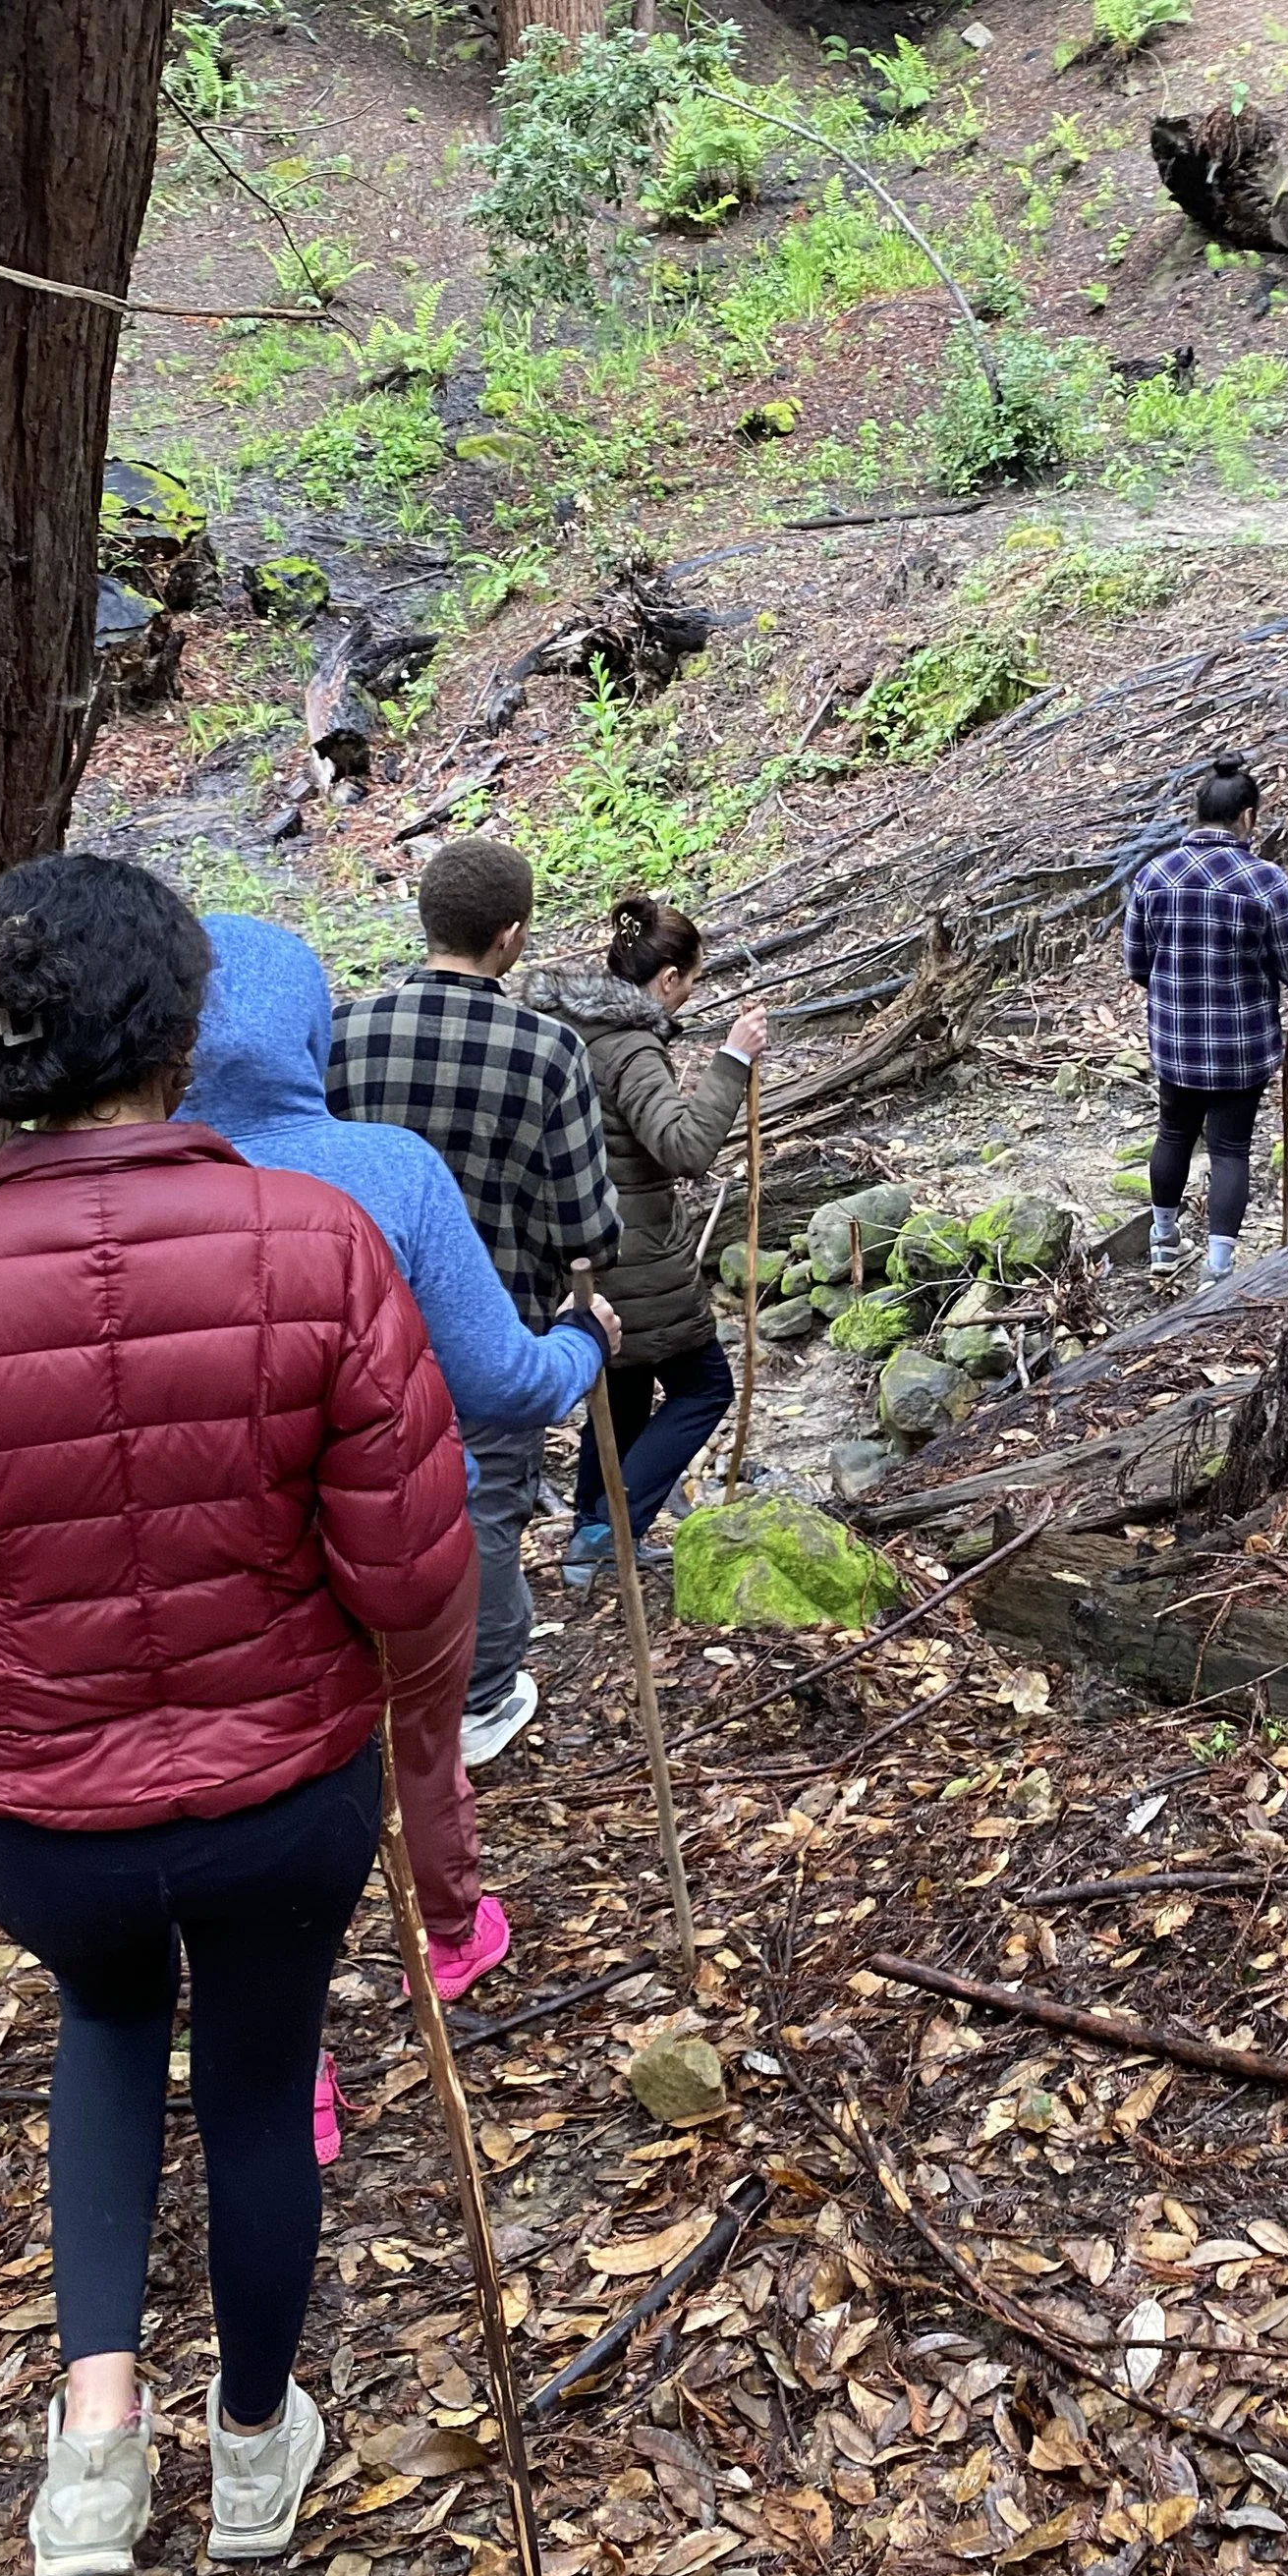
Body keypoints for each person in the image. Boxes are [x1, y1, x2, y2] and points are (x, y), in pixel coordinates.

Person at [0, 855, 475, 2576]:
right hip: (283, 1790)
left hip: (45, 1818)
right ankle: (252, 2448)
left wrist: (16, 1621)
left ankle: (95, 2449)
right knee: (254, 2079)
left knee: (103, 2028)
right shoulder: (314, 1243)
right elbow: (407, 1566)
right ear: (178, 1031)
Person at [181, 912, 620, 2154]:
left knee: (249, 1789)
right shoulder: (384, 1171)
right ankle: (451, 1926)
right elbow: (502, 1383)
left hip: (215, 1564)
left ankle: (288, 2056)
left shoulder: (126, 1200)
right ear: (310, 1035)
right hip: (393, 1542)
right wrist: (585, 1341)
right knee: (420, 1736)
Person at [327, 838, 620, 1766]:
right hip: (494, 1316)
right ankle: (483, 1695)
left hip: (349, 1321)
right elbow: (585, 1225)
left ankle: (372, 1680)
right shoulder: (547, 1049)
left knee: (362, 1502)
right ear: (512, 937)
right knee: (486, 1507)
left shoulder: (343, 1031)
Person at [526, 895, 766, 1582]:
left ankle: (589, 1539)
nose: (688, 994)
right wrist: (733, 1060)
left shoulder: (566, 1031)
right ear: (666, 980)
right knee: (703, 1387)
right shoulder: (631, 1046)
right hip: (637, 1263)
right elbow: (685, 1147)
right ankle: (612, 1532)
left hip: (582, 1257)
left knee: (624, 1393)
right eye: (689, 980)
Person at [1122, 755, 1288, 1283]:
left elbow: (1138, 965)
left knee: (1173, 1132)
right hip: (1243, 1046)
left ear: (1197, 811)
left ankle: (1163, 1242)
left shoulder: (1153, 875)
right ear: (1248, 818)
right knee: (1231, 1147)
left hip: (1175, 1041)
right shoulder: (1266, 883)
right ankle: (1219, 1268)